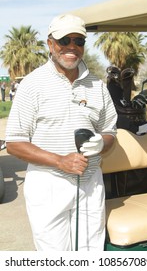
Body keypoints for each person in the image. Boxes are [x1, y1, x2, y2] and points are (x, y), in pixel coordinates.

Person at [5, 14, 117, 251]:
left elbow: (110, 132)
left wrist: (102, 144)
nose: (72, 47)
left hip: (90, 183)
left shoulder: (97, 85)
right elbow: (14, 143)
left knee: (90, 255)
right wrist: (59, 161)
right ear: (50, 44)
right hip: (48, 184)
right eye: (64, 40)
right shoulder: (32, 84)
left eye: (79, 41)